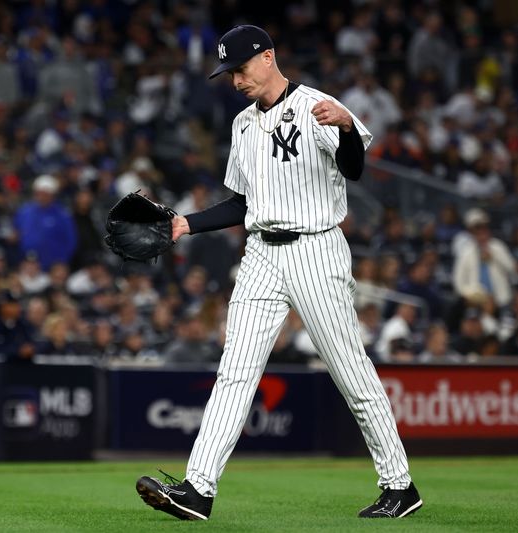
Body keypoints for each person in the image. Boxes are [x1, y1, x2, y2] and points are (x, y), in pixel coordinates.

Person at [136, 25, 421, 521]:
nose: (235, 80)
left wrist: (349, 128)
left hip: (316, 249)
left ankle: (399, 485)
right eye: (228, 73)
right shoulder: (243, 124)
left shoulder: (317, 104)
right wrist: (186, 223)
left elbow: (353, 170)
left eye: (241, 69)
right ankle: (197, 490)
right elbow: (244, 203)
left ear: (268, 58)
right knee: (235, 373)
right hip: (261, 254)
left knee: (350, 372)